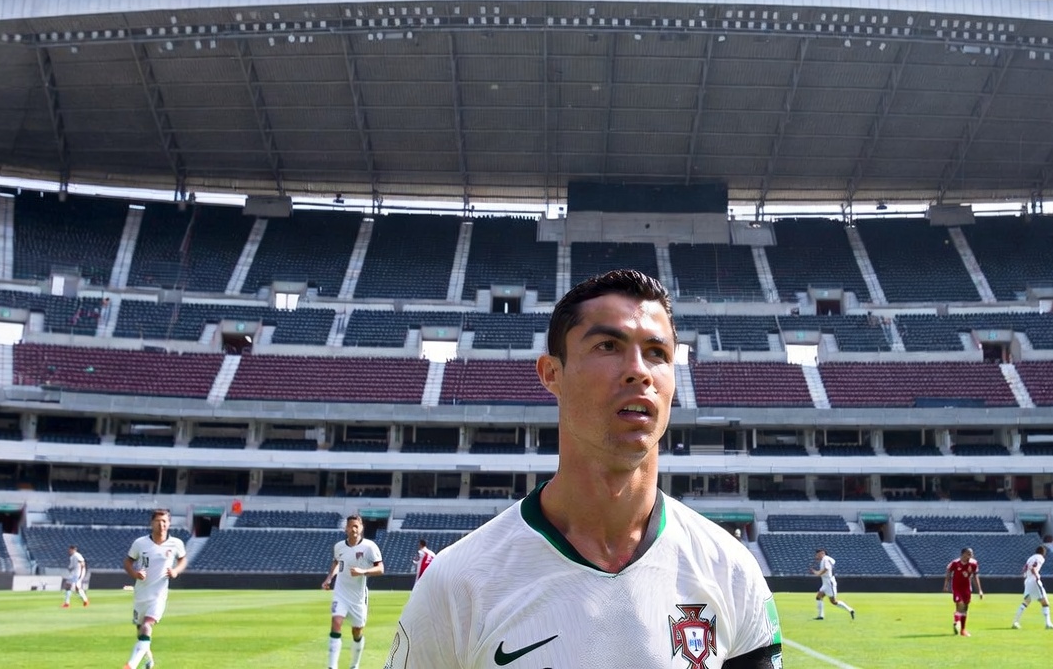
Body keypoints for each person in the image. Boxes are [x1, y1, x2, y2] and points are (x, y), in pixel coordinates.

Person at [384, 270, 782, 668]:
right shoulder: (457, 584)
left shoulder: (731, 571)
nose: (640, 370)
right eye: (608, 346)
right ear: (551, 374)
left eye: (657, 353)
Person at [122, 509, 187, 669]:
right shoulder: (140, 543)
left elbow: (182, 559)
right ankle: (149, 661)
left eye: (164, 521)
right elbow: (128, 562)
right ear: (152, 523)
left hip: (158, 595)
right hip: (141, 594)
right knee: (141, 632)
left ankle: (131, 665)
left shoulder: (176, 543)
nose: (161, 524)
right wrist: (135, 574)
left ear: (169, 523)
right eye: (158, 521)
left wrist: (176, 571)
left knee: (147, 626)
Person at [322, 515, 384, 669]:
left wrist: (363, 571)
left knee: (357, 632)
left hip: (358, 597)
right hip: (341, 593)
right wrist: (329, 578)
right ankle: (332, 666)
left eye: (356, 526)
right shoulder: (339, 547)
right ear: (346, 529)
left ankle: (354, 665)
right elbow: (336, 562)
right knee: (336, 622)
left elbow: (380, 569)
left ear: (361, 528)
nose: (354, 529)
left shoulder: (370, 547)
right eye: (351, 526)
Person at [1012, 545, 1053, 630]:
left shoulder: (1030, 558)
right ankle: (1048, 624)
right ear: (1043, 553)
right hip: (1034, 581)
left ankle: (1015, 622)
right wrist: (1037, 575)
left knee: (1026, 602)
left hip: (1027, 581)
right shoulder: (1040, 558)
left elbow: (1024, 569)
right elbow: (1034, 568)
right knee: (1045, 602)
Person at [943, 547, 984, 636]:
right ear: (963, 554)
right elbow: (948, 572)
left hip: (966, 588)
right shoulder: (955, 563)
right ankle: (956, 622)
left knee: (964, 609)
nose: (971, 555)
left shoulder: (973, 563)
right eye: (969, 554)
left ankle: (962, 630)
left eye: (971, 554)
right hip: (957, 588)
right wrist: (946, 585)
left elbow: (975, 577)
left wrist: (979, 590)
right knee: (960, 604)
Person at [811, 548, 855, 621]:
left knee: (834, 602)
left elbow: (826, 568)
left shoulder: (825, 559)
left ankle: (850, 610)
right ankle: (820, 616)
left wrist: (818, 573)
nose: (817, 555)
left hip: (829, 583)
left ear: (822, 553)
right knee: (819, 597)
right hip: (826, 583)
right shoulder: (827, 559)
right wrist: (818, 570)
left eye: (818, 554)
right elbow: (831, 563)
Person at [62, 544, 89, 608]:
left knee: (70, 586)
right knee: (73, 587)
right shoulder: (72, 556)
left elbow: (82, 563)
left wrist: (81, 574)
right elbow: (73, 566)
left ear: (73, 549)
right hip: (74, 573)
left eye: (70, 550)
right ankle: (85, 601)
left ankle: (67, 603)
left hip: (77, 574)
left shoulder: (77, 555)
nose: (69, 551)